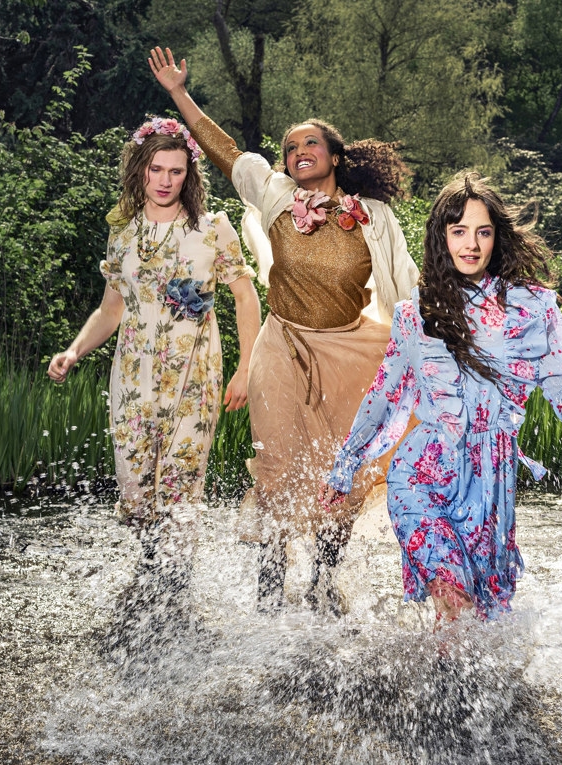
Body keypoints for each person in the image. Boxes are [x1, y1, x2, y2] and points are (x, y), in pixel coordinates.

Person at [148, 48, 419, 614]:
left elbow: (409, 288)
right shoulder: (275, 195)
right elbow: (225, 150)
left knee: (344, 469)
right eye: (290, 148)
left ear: (335, 156)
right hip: (282, 344)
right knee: (275, 465)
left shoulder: (374, 216)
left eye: (309, 144)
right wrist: (178, 93)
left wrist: (440, 347)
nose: (298, 153)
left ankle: (323, 580)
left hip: (352, 350)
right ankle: (268, 590)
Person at [320, 172, 562, 622]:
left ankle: (440, 667)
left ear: (497, 238)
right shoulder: (413, 313)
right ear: (442, 237)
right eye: (459, 231)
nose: (471, 245)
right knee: (452, 596)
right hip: (421, 475)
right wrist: (346, 464)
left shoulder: (531, 307)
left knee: (479, 616)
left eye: (483, 232)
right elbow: (383, 394)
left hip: (490, 478)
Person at [48, 116, 261, 532]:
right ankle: (148, 567)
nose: (165, 180)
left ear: (188, 175)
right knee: (136, 497)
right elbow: (110, 310)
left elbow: (245, 297)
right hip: (133, 379)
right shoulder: (123, 234)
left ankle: (177, 572)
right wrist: (73, 351)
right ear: (139, 169)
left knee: (180, 492)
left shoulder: (212, 229)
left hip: (193, 379)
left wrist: (246, 367)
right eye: (156, 169)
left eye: (176, 171)